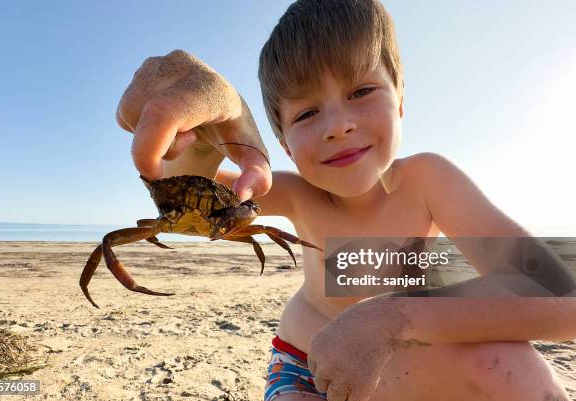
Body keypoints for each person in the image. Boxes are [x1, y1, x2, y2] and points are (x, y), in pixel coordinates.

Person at [116, 1, 575, 400]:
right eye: (308, 112)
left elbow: (560, 297)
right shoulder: (296, 193)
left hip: (399, 353)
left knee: (510, 366)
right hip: (303, 365)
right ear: (285, 143)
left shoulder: (427, 179)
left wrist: (392, 319)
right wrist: (193, 143)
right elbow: (193, 199)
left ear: (400, 100)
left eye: (361, 91)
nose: (338, 125)